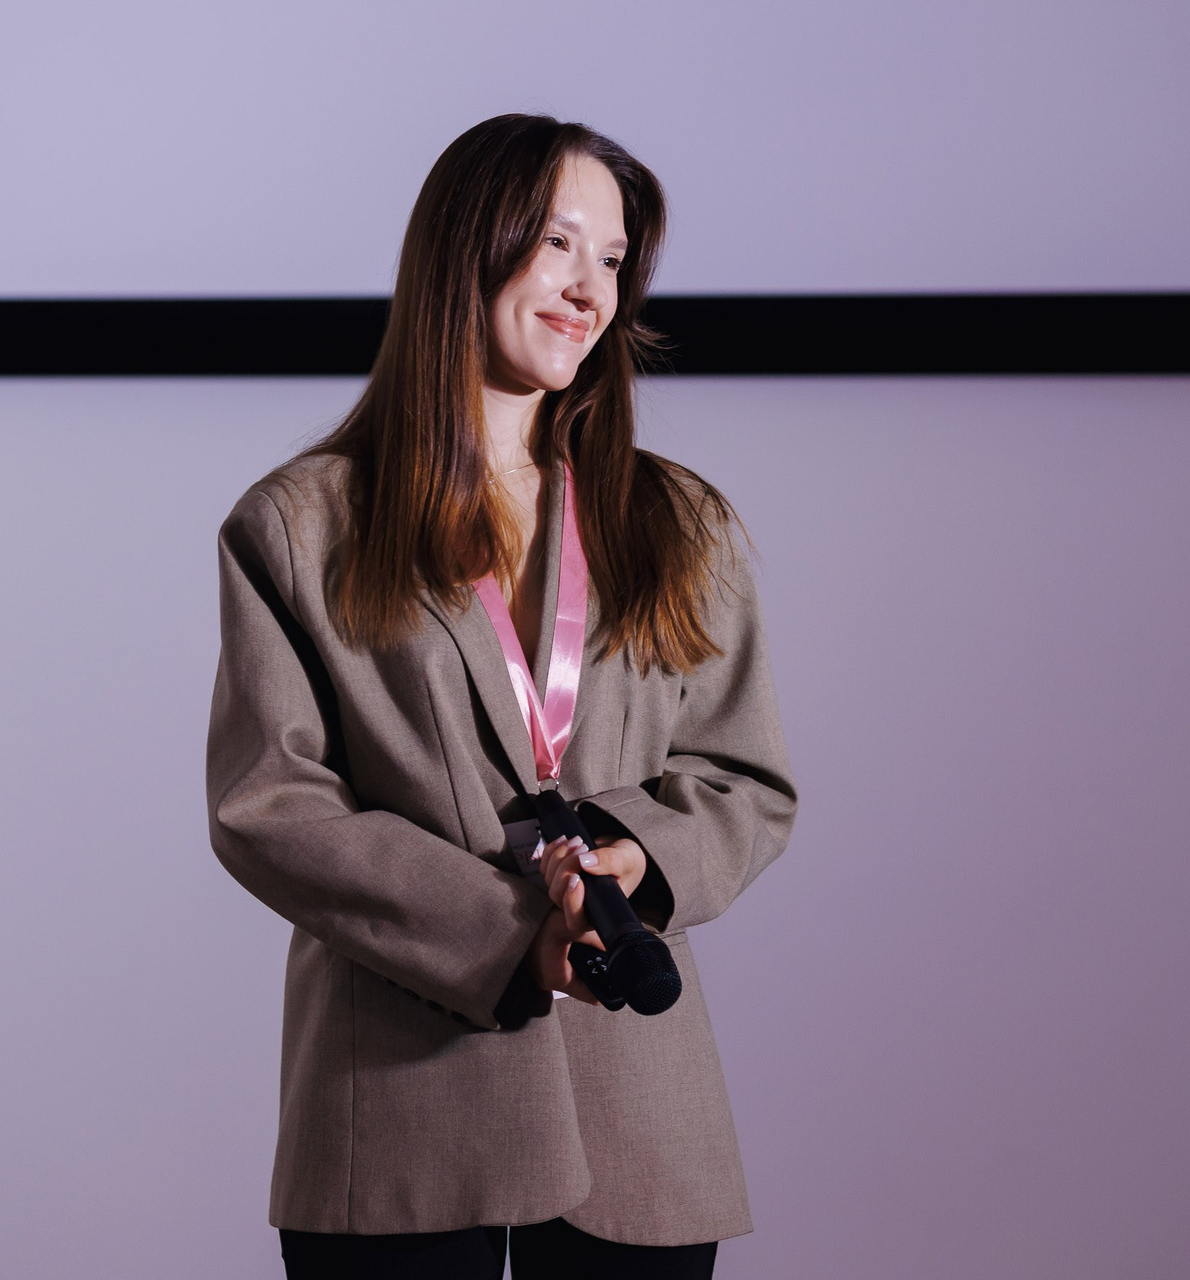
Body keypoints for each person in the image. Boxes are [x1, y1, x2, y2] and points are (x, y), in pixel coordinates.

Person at [206, 113, 798, 1280]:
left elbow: (745, 780)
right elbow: (271, 803)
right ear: (465, 248)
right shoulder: (300, 523)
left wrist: (636, 854)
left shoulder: (681, 523)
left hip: (640, 1111)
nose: (591, 289)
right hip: (399, 1113)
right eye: (559, 243)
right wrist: (508, 932)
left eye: (613, 259)